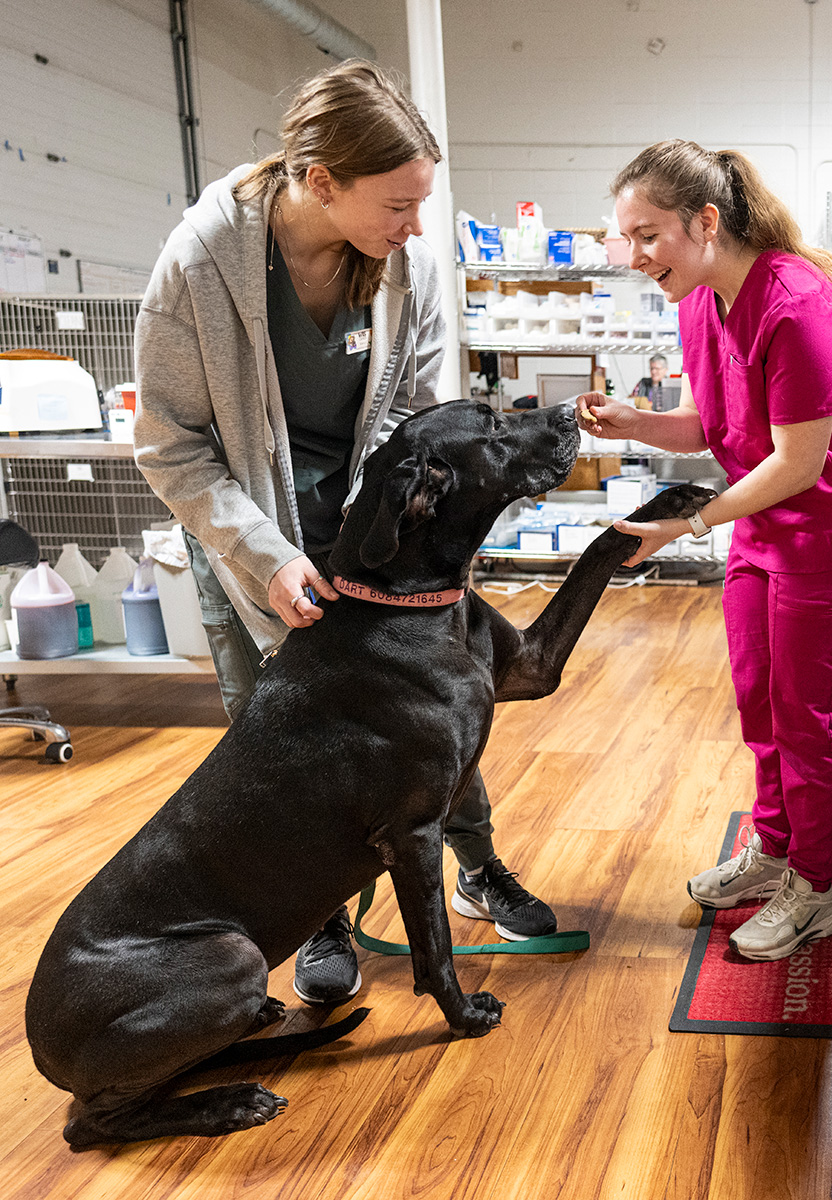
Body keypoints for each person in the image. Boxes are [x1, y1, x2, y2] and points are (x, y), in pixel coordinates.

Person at [133, 61, 556, 1007]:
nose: (414, 226)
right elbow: (168, 443)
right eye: (398, 203)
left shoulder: (401, 262)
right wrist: (268, 555)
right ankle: (325, 918)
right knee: (283, 741)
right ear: (320, 181)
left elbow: (416, 408)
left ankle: (476, 865)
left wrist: (422, 530)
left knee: (439, 711)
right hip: (252, 532)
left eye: (422, 204)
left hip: (378, 530)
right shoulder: (202, 265)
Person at [576, 139, 832, 962]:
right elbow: (709, 425)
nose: (635, 255)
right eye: (628, 236)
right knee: (761, 701)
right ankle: (775, 849)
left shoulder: (800, 305)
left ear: (706, 221)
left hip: (829, 529)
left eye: (648, 234)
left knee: (809, 716)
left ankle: (817, 888)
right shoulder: (696, 300)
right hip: (762, 524)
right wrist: (634, 423)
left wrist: (688, 524)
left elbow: (798, 461)